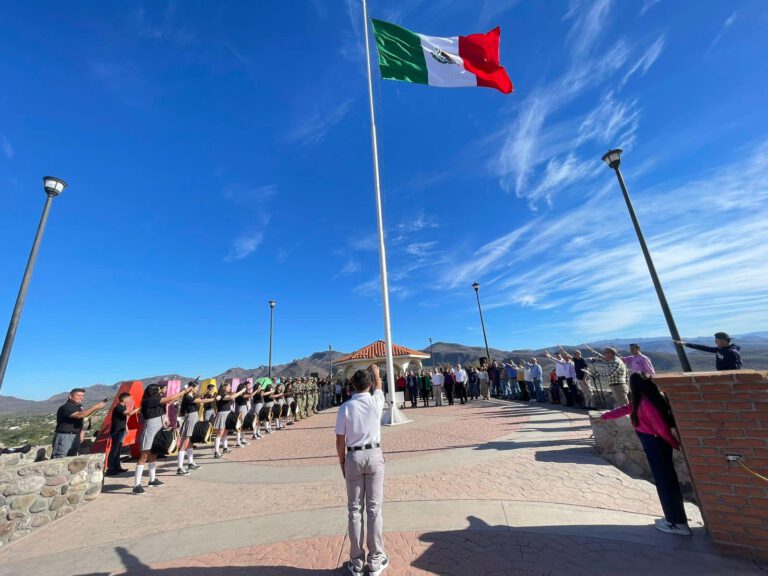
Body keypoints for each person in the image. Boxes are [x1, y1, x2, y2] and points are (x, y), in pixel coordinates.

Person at [597, 373, 690, 536]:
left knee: (665, 481)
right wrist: (604, 416)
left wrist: (675, 444)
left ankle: (677, 522)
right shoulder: (644, 399)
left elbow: (661, 428)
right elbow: (626, 408)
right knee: (663, 480)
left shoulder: (646, 404)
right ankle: (672, 517)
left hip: (656, 444)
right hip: (653, 443)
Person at [335, 365, 388, 576]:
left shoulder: (345, 408)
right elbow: (380, 385)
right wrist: (376, 373)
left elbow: (340, 439)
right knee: (374, 509)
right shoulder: (377, 401)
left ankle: (356, 561)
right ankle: (375, 559)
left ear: (352, 386)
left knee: (354, 510)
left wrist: (342, 462)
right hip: (374, 455)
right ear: (369, 385)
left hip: (353, 457)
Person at [134, 383, 185, 495]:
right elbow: (170, 398)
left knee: (153, 454)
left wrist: (180, 394)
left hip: (157, 429)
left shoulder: (155, 401)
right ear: (153, 391)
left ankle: (152, 480)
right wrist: (184, 391)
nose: (161, 391)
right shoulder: (149, 400)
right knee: (144, 456)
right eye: (158, 390)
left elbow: (170, 401)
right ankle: (136, 485)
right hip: (150, 430)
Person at [52, 389, 107, 459]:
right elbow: (79, 415)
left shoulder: (79, 406)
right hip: (65, 436)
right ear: (70, 396)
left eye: (82, 396)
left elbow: (80, 420)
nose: (81, 397)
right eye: (78, 395)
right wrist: (96, 407)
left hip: (76, 435)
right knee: (60, 457)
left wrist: (81, 431)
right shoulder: (66, 407)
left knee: (72, 458)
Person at [177, 380, 215, 475]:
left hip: (194, 418)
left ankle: (190, 463)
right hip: (190, 419)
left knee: (190, 442)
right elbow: (202, 400)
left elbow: (201, 397)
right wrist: (214, 399)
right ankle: (180, 468)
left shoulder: (191, 396)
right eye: (196, 387)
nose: (197, 389)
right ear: (191, 388)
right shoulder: (187, 397)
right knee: (185, 443)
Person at [106, 393, 139, 475]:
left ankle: (117, 467)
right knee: (114, 450)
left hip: (121, 430)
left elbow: (123, 419)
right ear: (124, 400)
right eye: (129, 399)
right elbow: (129, 413)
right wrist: (140, 408)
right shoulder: (118, 408)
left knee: (118, 450)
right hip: (117, 432)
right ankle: (110, 469)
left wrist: (126, 427)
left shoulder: (123, 407)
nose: (131, 400)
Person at [674, 332, 742, 371]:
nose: (715, 342)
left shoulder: (732, 352)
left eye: (717, 340)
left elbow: (735, 369)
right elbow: (705, 348)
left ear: (723, 341)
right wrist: (685, 344)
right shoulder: (720, 349)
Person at [212, 382, 246, 458]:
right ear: (224, 387)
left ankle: (225, 448)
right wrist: (241, 391)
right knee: (219, 434)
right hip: (222, 415)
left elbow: (231, 396)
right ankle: (216, 452)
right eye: (229, 386)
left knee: (225, 432)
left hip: (227, 414)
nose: (230, 387)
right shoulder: (221, 394)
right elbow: (231, 397)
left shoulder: (224, 394)